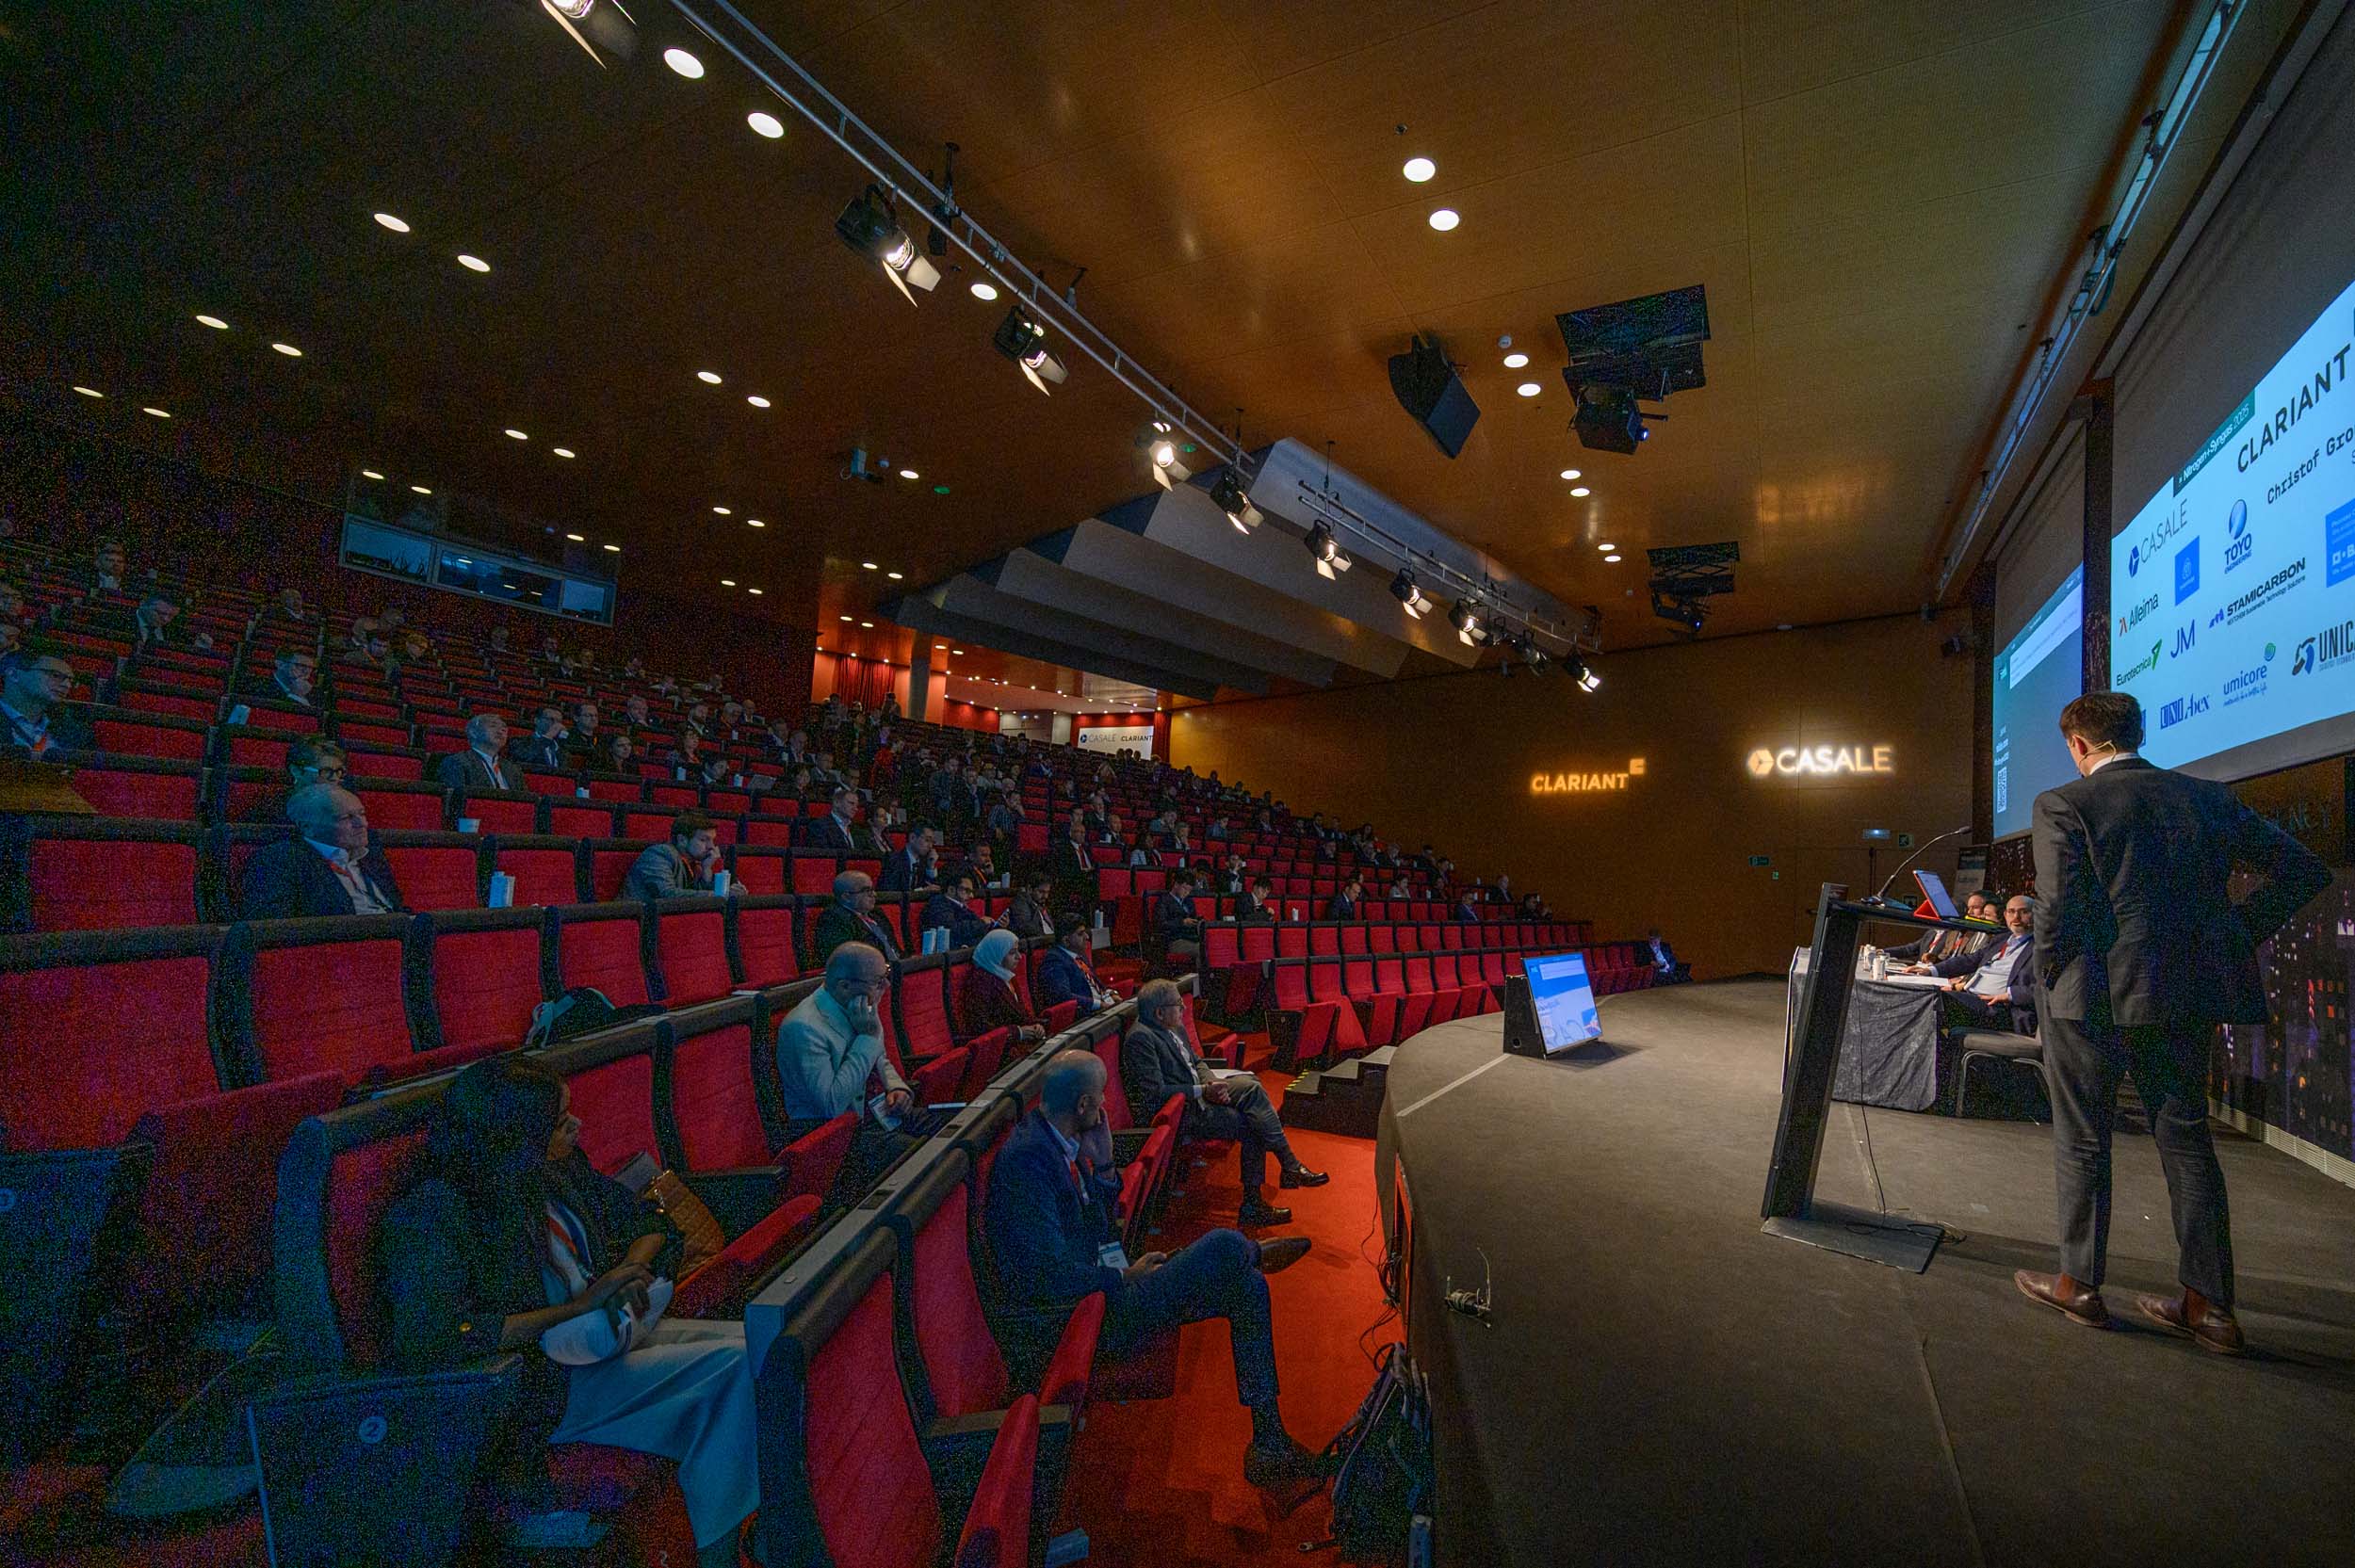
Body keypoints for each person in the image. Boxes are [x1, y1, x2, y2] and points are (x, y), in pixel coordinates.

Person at [2015, 691, 2331, 1351]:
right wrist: (2234, 934)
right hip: (2183, 996)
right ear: (2140, 733)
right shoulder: (2208, 799)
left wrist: (2046, 971)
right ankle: (2210, 1308)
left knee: (2083, 1141)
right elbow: (2304, 870)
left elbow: (2058, 907)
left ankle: (2080, 1285)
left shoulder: (2064, 803)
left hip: (2089, 998)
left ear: (2078, 744)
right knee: (2187, 1142)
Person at [375, 1057, 756, 1565]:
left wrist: (628, 1272)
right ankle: (724, 1553)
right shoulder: (437, 1212)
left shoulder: (556, 1171)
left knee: (759, 1346)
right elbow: (442, 1336)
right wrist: (581, 1305)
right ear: (515, 1139)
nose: (576, 1126)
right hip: (538, 1387)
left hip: (601, 1342)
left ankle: (751, 1534)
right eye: (558, 1122)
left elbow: (650, 1223)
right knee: (734, 1369)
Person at [984, 1050, 1323, 1510]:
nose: (1107, 1105)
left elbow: (1100, 1232)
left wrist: (1106, 1167)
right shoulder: (1028, 1161)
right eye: (1101, 1097)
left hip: (1101, 1291)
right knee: (1224, 1244)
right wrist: (1123, 1276)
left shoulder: (1059, 1140)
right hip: (1080, 1319)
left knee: (1248, 1289)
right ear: (1084, 1105)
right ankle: (1251, 1252)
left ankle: (1269, 1441)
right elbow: (1047, 1277)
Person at [1126, 979, 1325, 1228]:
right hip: (1184, 1112)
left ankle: (1287, 1169)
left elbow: (1197, 1062)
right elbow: (1155, 1094)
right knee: (1253, 1123)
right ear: (1159, 1012)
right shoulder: (1141, 1039)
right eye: (1178, 1004)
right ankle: (1261, 1198)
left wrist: (1211, 1084)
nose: (1184, 1009)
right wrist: (1203, 1091)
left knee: (1252, 1088)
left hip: (1201, 1092)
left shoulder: (1173, 1026)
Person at [773, 943, 911, 1122]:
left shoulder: (862, 1003)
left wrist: (895, 1087)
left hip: (881, 1114)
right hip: (841, 1130)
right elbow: (831, 1106)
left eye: (887, 974)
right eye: (878, 981)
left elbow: (879, 1060)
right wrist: (867, 1038)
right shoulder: (803, 1028)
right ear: (844, 986)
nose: (887, 985)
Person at [236, 784, 406, 917]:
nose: (362, 824)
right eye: (346, 817)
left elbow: (397, 907)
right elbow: (275, 924)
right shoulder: (279, 860)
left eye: (362, 814)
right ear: (307, 827)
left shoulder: (370, 856)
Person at [1931, 894, 2038, 1034]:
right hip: (1971, 997)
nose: (2016, 917)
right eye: (2011, 912)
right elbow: (1970, 960)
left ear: (2037, 915)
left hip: (2001, 1009)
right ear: (2005, 915)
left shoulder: (2041, 948)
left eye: (2024, 912)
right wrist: (1932, 970)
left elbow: (2044, 989)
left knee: (1935, 999)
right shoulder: (2002, 939)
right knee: (1924, 993)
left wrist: (2009, 995)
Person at [958, 929, 1047, 1044]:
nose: (1019, 956)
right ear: (997, 953)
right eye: (1012, 952)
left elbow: (1020, 1015)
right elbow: (980, 1027)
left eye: (1018, 951)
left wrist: (1035, 1026)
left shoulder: (1006, 976)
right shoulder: (979, 982)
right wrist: (1017, 1033)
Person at [1, 649, 92, 757]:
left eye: (71, 681)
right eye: (55, 675)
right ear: (14, 674)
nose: (67, 685)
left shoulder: (72, 730)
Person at [625, 813, 721, 901]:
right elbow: (665, 894)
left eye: (713, 840)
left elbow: (699, 897)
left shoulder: (695, 863)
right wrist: (716, 895)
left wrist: (706, 869)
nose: (711, 846)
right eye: (704, 840)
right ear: (682, 840)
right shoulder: (660, 854)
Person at [1034, 913, 1115, 1016]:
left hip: (1101, 1008)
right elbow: (1063, 996)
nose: (1087, 937)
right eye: (1080, 934)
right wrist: (1098, 1004)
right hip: (1083, 1016)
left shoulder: (1079, 955)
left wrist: (1111, 993)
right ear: (1066, 940)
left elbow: (1096, 986)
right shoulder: (1054, 961)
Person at [1891, 891, 1996, 969]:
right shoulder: (1952, 932)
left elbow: (1968, 962)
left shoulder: (1981, 935)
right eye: (1969, 908)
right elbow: (1945, 958)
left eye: (1975, 908)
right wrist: (1934, 959)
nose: (1969, 912)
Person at [811, 870, 900, 962]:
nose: (874, 894)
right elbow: (845, 959)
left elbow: (894, 947)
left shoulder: (877, 913)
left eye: (872, 890)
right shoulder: (833, 919)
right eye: (867, 891)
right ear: (846, 897)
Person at [435, 714, 516, 791]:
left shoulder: (512, 769)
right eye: (493, 726)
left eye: (504, 729)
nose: (501, 731)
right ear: (473, 733)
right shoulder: (457, 762)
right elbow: (457, 797)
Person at [920, 869, 998, 950]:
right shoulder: (938, 904)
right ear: (951, 890)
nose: (972, 896)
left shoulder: (961, 906)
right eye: (967, 891)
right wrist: (981, 923)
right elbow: (952, 929)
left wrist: (992, 925)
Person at [1151, 871, 1201, 968]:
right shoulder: (1163, 901)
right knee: (1201, 949)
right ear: (1176, 885)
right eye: (1184, 889)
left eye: (1189, 890)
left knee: (1209, 946)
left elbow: (1193, 918)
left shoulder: (1189, 902)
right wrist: (1182, 922)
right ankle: (1201, 977)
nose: (1187, 893)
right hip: (1173, 940)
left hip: (1190, 937)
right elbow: (1161, 924)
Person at [244, 648, 318, 708]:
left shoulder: (312, 693)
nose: (306, 672)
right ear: (280, 664)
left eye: (310, 668)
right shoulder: (259, 687)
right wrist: (297, 695)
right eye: (300, 665)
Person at [879, 823, 936, 894]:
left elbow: (932, 889)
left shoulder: (924, 862)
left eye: (933, 842)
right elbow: (889, 893)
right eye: (927, 840)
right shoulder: (893, 860)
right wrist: (920, 892)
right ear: (912, 838)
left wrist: (930, 867)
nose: (930, 846)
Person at [512, 705, 571, 771]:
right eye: (551, 719)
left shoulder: (561, 746)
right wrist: (548, 736)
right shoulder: (520, 741)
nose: (556, 724)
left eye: (559, 721)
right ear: (537, 721)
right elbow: (525, 758)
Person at [805, 784, 859, 851]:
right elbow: (823, 855)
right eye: (851, 803)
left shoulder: (858, 830)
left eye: (857, 805)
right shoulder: (819, 826)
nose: (856, 809)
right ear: (836, 803)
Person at [1004, 872, 1055, 941]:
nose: (1045, 896)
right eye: (1041, 892)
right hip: (1038, 941)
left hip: (1049, 940)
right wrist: (1047, 936)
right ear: (1029, 889)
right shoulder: (1021, 902)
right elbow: (1025, 926)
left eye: (1047, 892)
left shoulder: (1041, 903)